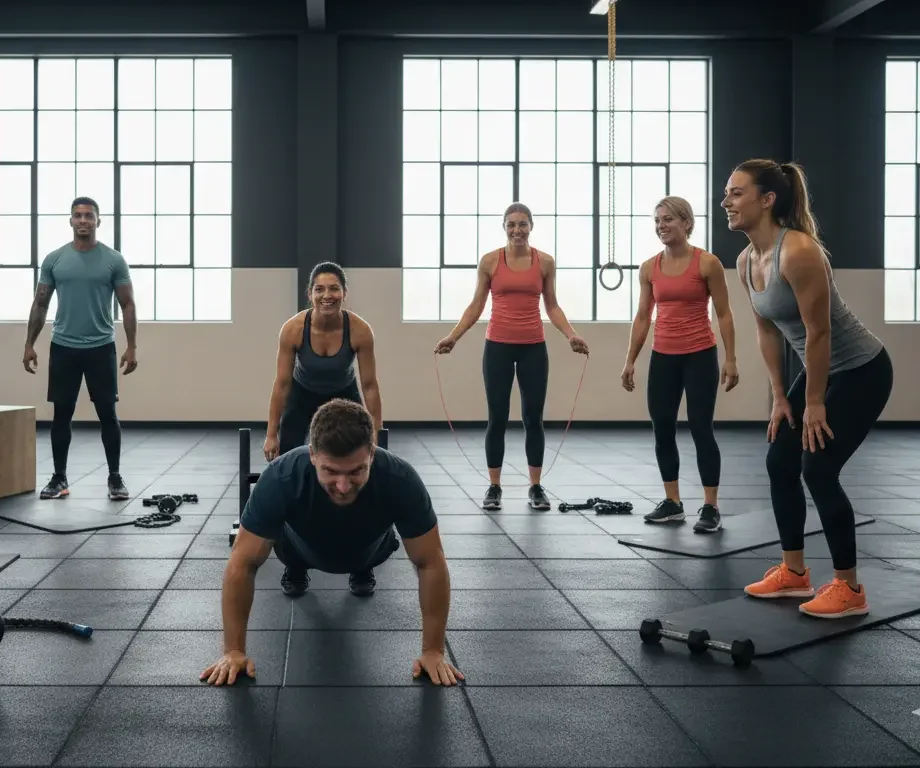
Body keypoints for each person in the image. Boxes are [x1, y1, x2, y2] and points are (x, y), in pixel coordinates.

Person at [725, 159, 892, 619]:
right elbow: (768, 331)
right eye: (727, 193)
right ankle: (795, 573)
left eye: (737, 193)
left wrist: (814, 402)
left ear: (767, 199)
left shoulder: (798, 251)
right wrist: (781, 397)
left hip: (861, 370)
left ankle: (848, 587)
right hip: (817, 371)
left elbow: (819, 333)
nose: (727, 202)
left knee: (817, 468)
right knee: (780, 458)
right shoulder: (745, 261)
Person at [201, 399, 462, 687]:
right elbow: (242, 561)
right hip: (298, 548)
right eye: (330, 472)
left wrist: (434, 651)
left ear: (372, 454)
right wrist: (233, 651)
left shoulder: (400, 479)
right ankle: (297, 568)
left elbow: (430, 561)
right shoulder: (281, 477)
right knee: (278, 546)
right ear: (313, 455)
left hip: (370, 549)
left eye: (355, 472)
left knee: (378, 548)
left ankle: (361, 568)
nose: (342, 485)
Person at [433, 202, 589, 512]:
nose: (517, 229)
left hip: (533, 347)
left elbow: (552, 306)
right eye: (511, 224)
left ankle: (535, 486)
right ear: (504, 227)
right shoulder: (490, 261)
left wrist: (570, 334)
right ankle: (494, 487)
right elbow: (476, 305)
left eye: (522, 224)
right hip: (498, 348)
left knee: (533, 418)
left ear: (531, 226)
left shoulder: (544, 262)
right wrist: (454, 336)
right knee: (498, 418)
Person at [621, 196, 739, 533]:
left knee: (702, 430)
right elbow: (643, 317)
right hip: (663, 358)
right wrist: (630, 360)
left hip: (700, 356)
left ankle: (710, 507)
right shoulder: (649, 268)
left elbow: (724, 313)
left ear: (687, 223)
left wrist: (730, 358)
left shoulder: (707, 264)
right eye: (658, 221)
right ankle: (672, 502)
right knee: (663, 431)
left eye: (669, 219)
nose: (661, 226)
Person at [24, 197, 137, 502]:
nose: (83, 220)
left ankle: (115, 478)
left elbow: (127, 304)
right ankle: (59, 478)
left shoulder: (113, 260)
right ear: (70, 221)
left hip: (101, 347)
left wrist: (132, 346)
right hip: (64, 347)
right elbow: (41, 303)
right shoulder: (55, 259)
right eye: (78, 216)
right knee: (61, 414)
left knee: (108, 416)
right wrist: (29, 344)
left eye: (89, 215)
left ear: (98, 221)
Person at [263, 262, 381, 460]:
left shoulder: (360, 331)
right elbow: (282, 384)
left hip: (344, 392)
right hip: (302, 393)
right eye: (319, 289)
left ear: (344, 293)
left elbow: (369, 386)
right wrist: (271, 434)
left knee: (357, 448)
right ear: (310, 294)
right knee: (287, 454)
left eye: (334, 288)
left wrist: (377, 433)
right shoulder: (293, 330)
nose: (327, 296)